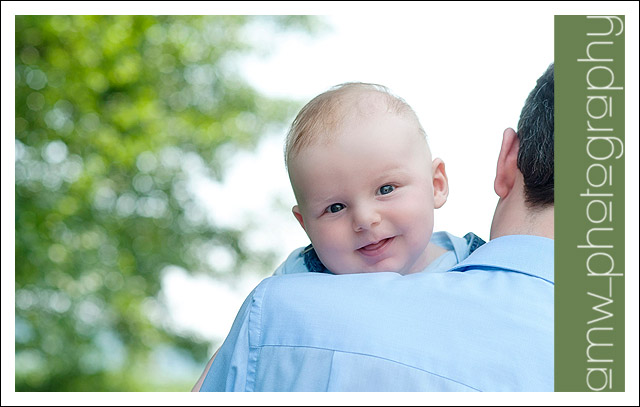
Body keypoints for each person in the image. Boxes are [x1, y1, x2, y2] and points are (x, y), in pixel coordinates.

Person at [195, 63, 555, 391]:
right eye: (335, 207)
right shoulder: (296, 280)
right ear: (306, 226)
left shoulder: (473, 264)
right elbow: (232, 367)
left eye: (386, 189)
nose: (365, 219)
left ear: (437, 184)